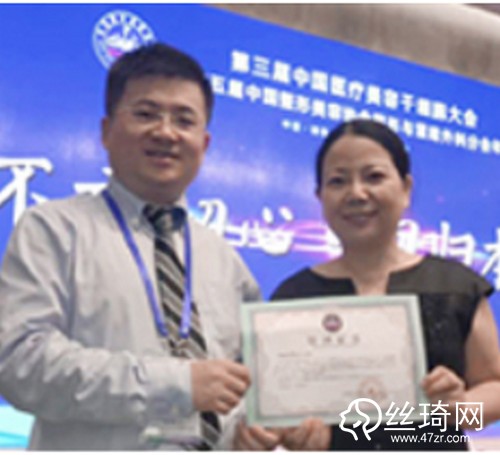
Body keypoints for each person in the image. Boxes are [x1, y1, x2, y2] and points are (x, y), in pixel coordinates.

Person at [0, 43, 262, 450]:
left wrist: (250, 429)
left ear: (205, 143)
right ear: (106, 131)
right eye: (146, 114)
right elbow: (20, 362)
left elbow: (245, 383)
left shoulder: (226, 262)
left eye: (184, 120)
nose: (166, 132)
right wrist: (176, 383)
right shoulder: (53, 229)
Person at [267, 119, 500, 450]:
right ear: (320, 197)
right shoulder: (293, 298)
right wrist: (294, 435)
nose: (356, 193)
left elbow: (494, 388)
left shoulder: (454, 286)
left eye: (374, 177)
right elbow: (279, 408)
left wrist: (460, 410)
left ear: (405, 188)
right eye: (338, 181)